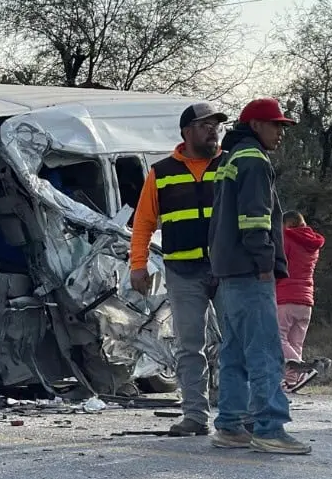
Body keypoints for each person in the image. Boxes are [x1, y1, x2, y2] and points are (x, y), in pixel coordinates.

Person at [208, 97, 311, 455]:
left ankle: (230, 426)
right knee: (265, 351)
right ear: (255, 126)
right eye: (276, 125)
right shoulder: (253, 161)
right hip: (251, 271)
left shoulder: (229, 158)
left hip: (229, 270)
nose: (280, 133)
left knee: (234, 351)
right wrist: (265, 262)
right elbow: (254, 219)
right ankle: (269, 427)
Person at [130, 102, 228, 437]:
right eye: (204, 125)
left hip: (228, 268)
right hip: (183, 271)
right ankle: (195, 417)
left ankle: (233, 416)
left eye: (215, 124)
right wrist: (138, 266)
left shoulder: (230, 164)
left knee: (233, 342)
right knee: (190, 346)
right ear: (186, 132)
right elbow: (143, 223)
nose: (212, 130)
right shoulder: (162, 171)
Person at [276, 211, 324, 392]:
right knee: (295, 342)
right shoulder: (313, 244)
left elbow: (280, 266)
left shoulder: (286, 239)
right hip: (306, 300)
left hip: (285, 296)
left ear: (287, 224)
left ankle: (304, 369)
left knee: (278, 338)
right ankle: (291, 381)